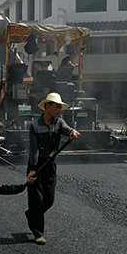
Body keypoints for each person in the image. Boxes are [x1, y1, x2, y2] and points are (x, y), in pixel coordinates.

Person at [26, 93, 80, 245]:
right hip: (36, 164)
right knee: (36, 199)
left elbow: (68, 130)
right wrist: (33, 170)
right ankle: (38, 232)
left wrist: (72, 132)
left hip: (50, 165)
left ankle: (32, 215)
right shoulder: (35, 125)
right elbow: (34, 149)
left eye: (60, 107)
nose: (59, 110)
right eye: (56, 107)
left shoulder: (59, 123)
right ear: (47, 106)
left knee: (49, 200)